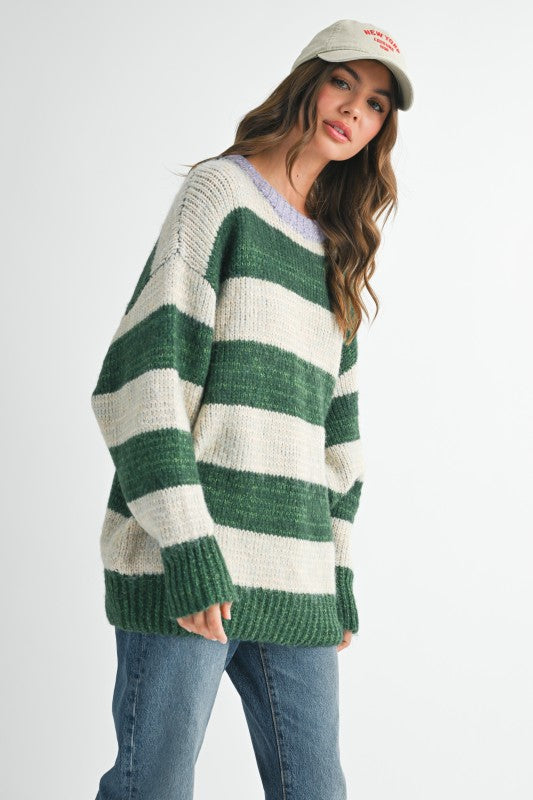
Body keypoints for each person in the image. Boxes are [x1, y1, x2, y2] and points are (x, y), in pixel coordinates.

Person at [91, 18, 414, 800]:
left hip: (296, 578)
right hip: (189, 566)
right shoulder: (221, 195)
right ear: (308, 80)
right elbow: (140, 381)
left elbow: (337, 442)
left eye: (375, 104)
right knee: (153, 788)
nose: (354, 110)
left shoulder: (335, 250)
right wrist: (188, 548)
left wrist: (336, 574)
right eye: (342, 82)